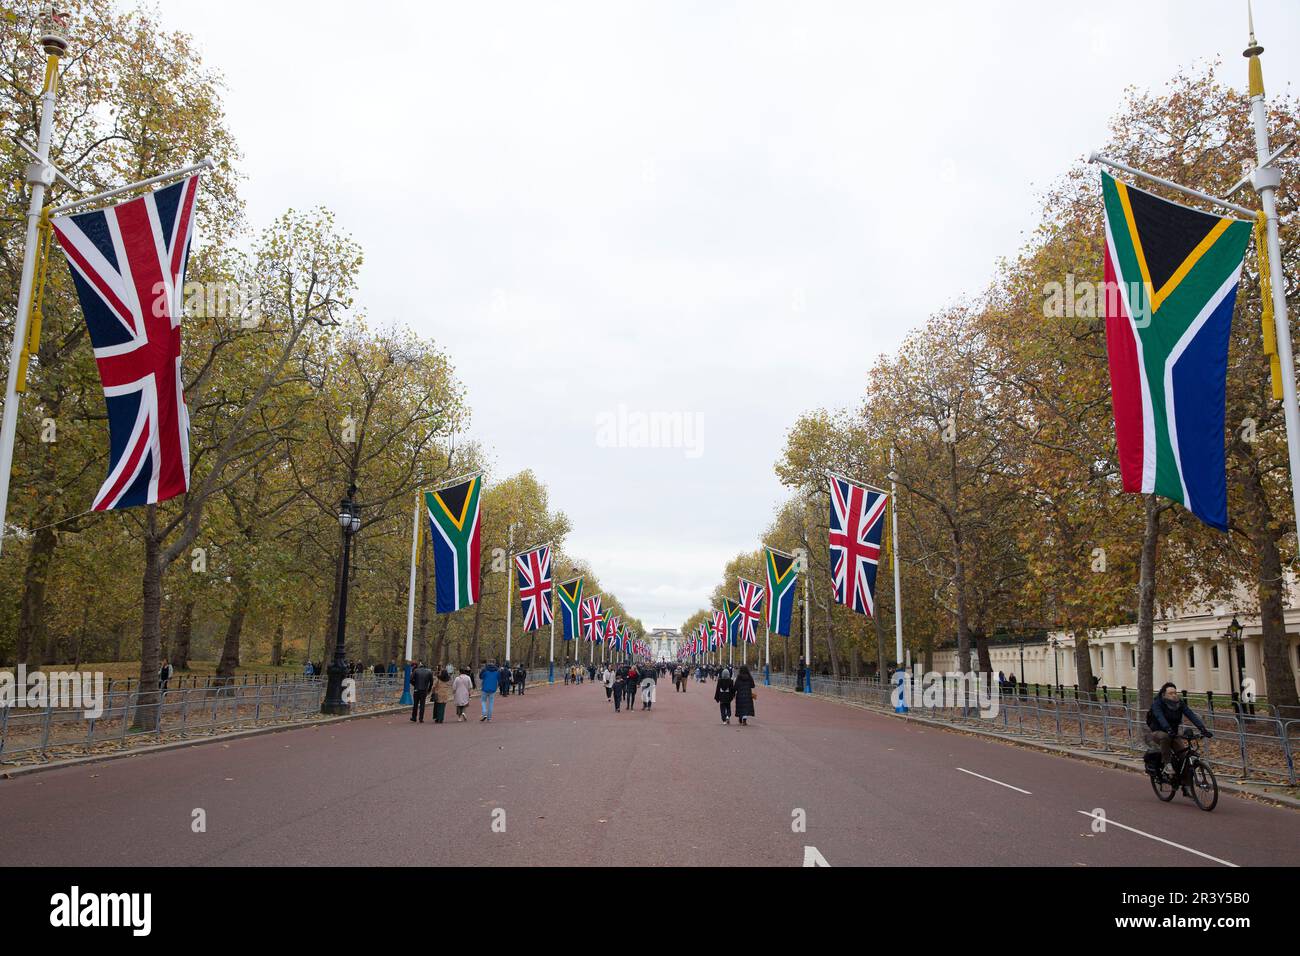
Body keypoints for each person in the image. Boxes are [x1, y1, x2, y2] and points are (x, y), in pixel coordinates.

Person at [1145, 682, 1212, 793]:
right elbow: (1160, 717)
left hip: (1173, 733)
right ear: (1164, 694)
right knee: (1165, 737)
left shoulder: (1179, 703)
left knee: (1184, 756)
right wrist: (1168, 728)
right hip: (1157, 732)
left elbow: (1190, 715)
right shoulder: (1158, 704)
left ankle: (1186, 786)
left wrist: (1203, 729)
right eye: (1170, 693)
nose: (1174, 695)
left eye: (1175, 692)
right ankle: (1167, 765)